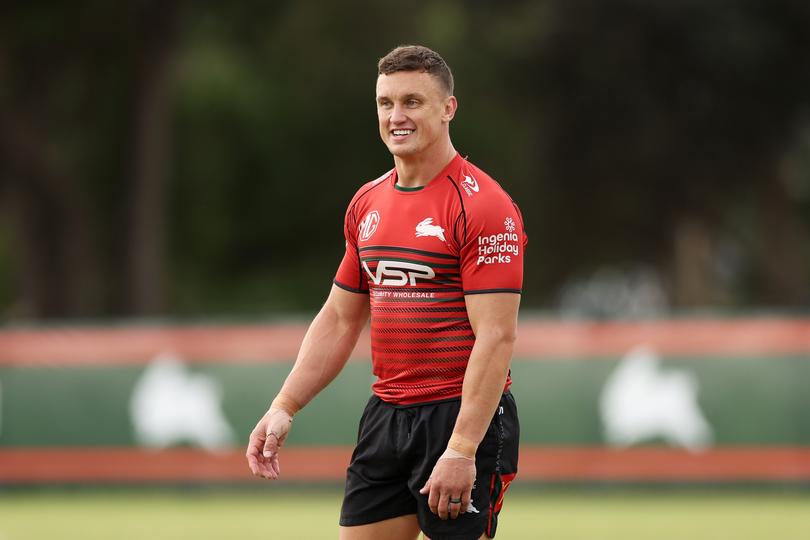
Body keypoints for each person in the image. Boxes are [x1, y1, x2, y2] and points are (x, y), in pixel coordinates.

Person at [246, 44, 527, 540]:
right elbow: (339, 318)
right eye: (385, 103)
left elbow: (497, 338)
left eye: (412, 102)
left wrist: (461, 448)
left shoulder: (484, 206)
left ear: (448, 108)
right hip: (387, 416)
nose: (396, 116)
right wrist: (283, 405)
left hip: (458, 416)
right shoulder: (367, 202)